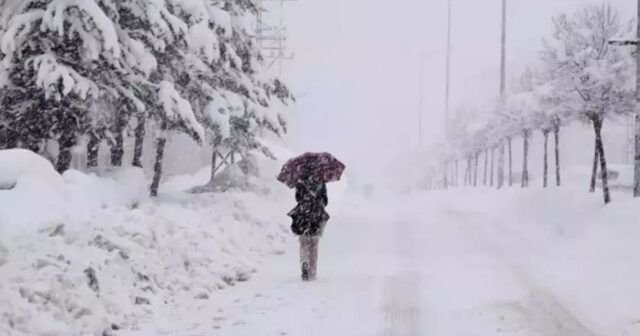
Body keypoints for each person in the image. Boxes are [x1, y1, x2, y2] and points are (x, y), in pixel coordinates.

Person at [287, 166, 329, 281]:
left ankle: (304, 261)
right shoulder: (321, 181)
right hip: (316, 216)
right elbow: (325, 201)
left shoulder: (300, 182)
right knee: (314, 245)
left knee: (303, 243)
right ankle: (312, 271)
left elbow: (298, 198)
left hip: (303, 216)